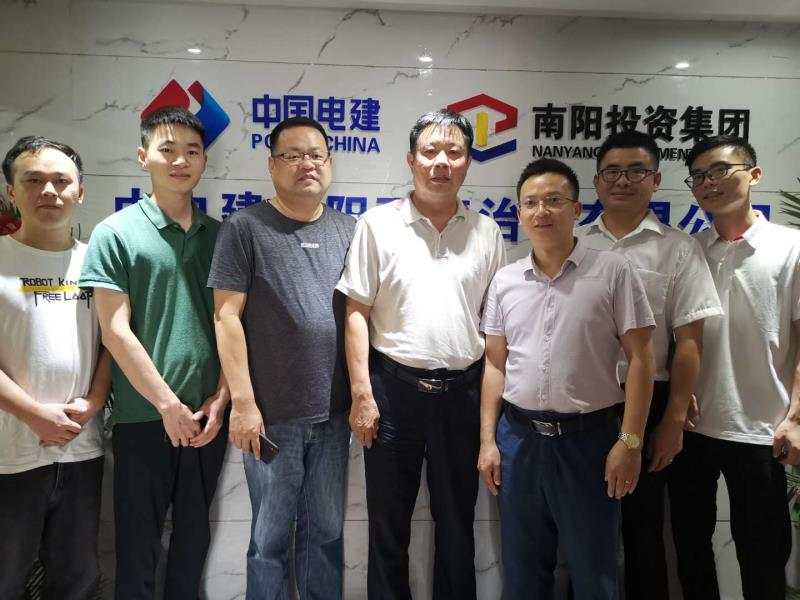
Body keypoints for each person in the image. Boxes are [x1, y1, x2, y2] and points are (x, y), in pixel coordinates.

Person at [337, 109, 506, 600]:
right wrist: (362, 394)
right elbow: (355, 312)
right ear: (411, 160)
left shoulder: (487, 232)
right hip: (393, 393)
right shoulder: (377, 225)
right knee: (387, 524)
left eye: (454, 152)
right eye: (430, 151)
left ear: (468, 162)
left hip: (463, 394)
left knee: (458, 522)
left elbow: (496, 326)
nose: (441, 162)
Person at [478, 158, 655, 600]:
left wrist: (630, 442)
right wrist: (488, 442)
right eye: (530, 203)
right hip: (519, 440)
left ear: (577, 209)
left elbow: (641, 360)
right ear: (520, 213)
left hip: (588, 442)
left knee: (595, 573)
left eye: (554, 200)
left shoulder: (612, 270)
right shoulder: (505, 281)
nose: (542, 211)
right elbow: (495, 365)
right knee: (523, 573)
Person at [79, 106, 229, 599]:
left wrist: (222, 399)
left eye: (192, 151)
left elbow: (234, 327)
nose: (180, 161)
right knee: (138, 548)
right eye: (168, 150)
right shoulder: (116, 233)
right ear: (143, 157)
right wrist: (167, 405)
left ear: (204, 159)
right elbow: (114, 330)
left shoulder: (221, 236)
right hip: (143, 418)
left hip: (207, 421)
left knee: (193, 541)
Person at [209, 116, 355, 600]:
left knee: (326, 535)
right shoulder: (244, 228)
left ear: (329, 163)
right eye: (292, 155)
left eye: (316, 154)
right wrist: (244, 405)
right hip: (271, 419)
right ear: (272, 165)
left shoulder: (350, 230)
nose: (306, 164)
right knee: (269, 541)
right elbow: (226, 318)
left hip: (333, 416)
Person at [577, 130, 722, 599]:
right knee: (583, 527)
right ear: (597, 182)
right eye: (612, 171)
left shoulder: (678, 248)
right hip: (583, 404)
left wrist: (674, 419)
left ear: (656, 180)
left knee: (644, 527)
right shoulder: (575, 244)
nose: (623, 180)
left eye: (636, 170)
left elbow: (689, 341)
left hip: (650, 402)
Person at [669, 135, 800, 600]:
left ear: (754, 175)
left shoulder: (790, 247)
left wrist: (796, 418)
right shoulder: (689, 250)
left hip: (761, 428)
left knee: (762, 557)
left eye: (721, 170)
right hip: (692, 428)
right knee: (690, 549)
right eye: (699, 176)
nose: (710, 182)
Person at [0, 136, 110, 600]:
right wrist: (32, 414)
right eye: (34, 180)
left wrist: (94, 402)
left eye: (61, 181)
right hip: (10, 454)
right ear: (11, 192)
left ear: (80, 191)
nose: (49, 190)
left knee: (76, 579)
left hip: (81, 449)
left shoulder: (98, 262)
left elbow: (112, 344)